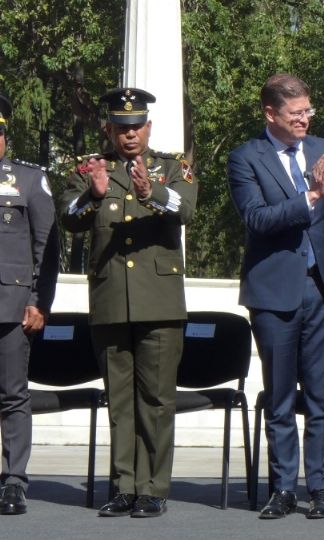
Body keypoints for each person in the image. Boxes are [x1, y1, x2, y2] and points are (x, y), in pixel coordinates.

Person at [227, 73, 324, 520]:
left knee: (322, 397)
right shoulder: (246, 157)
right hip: (274, 293)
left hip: (322, 289)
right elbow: (257, 218)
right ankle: (283, 488)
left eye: (308, 110)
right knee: (281, 396)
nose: (306, 119)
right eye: (296, 113)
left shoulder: (322, 148)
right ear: (271, 114)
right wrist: (311, 195)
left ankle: (321, 489)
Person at [60, 88, 198, 518]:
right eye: (121, 127)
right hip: (110, 301)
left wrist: (151, 191)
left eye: (136, 126)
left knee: (157, 399)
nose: (130, 134)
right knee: (118, 399)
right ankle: (124, 485)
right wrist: (93, 195)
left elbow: (187, 209)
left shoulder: (173, 167)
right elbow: (67, 217)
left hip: (159, 303)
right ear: (109, 130)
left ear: (148, 128)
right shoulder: (89, 170)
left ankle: (153, 487)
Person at [0, 92, 59, 516]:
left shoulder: (27, 179)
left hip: (11, 304)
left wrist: (40, 301)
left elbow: (47, 248)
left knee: (11, 394)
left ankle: (14, 480)